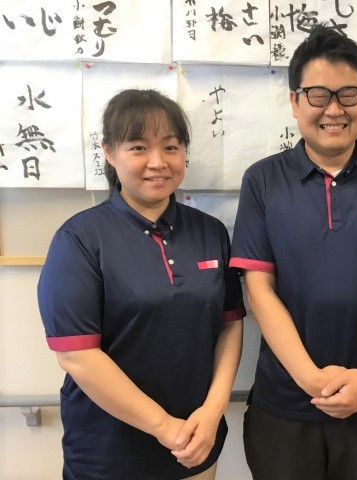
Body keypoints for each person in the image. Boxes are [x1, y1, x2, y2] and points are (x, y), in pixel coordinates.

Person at [230, 25, 357, 480]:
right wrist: (310, 379)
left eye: (348, 94)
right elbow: (259, 290)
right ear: (294, 101)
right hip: (285, 404)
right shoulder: (263, 180)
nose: (335, 109)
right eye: (318, 95)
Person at [37, 89, 245, 480]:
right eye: (138, 147)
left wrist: (213, 411)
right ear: (109, 152)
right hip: (108, 453)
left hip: (197, 443)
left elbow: (230, 324)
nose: (158, 162)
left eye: (171, 147)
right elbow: (77, 355)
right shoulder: (80, 238)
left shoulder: (211, 232)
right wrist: (164, 427)